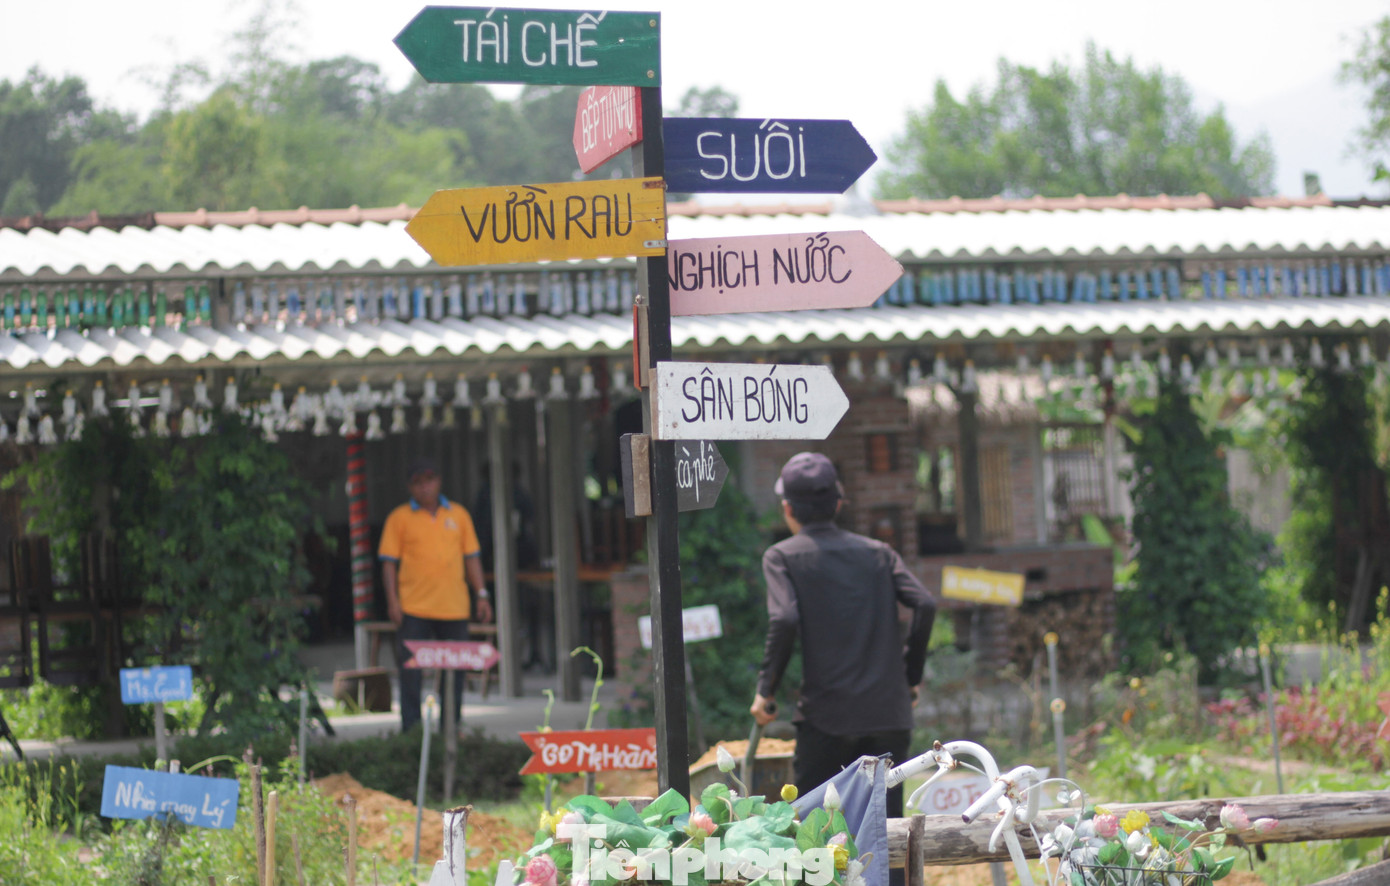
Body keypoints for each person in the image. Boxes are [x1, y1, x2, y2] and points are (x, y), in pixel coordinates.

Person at [749, 451, 936, 818]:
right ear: (838, 502)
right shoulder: (879, 553)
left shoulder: (782, 557)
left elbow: (784, 620)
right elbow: (925, 604)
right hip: (888, 717)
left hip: (825, 720)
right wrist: (910, 678)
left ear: (787, 507)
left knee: (817, 833)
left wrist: (765, 690)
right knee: (885, 833)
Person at [379, 457, 493, 733]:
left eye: (429, 480)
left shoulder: (459, 515)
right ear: (410, 487)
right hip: (414, 607)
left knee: (455, 674)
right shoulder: (399, 518)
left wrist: (481, 594)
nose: (425, 487)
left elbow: (471, 558)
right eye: (418, 482)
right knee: (411, 672)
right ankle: (412, 731)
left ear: (439, 481)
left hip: (453, 606)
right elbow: (388, 564)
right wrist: (393, 601)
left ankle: (451, 727)